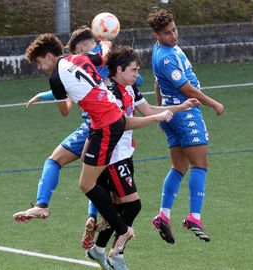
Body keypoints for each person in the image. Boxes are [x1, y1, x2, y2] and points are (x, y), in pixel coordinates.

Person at [16, 33, 173, 257]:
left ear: (50, 56)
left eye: (40, 62)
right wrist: (106, 38)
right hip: (108, 121)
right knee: (90, 177)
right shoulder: (79, 59)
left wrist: (61, 93)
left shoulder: (56, 78)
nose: (41, 67)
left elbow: (65, 111)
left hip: (106, 125)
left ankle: (121, 229)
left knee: (87, 184)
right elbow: (105, 54)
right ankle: (100, 222)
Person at [84, 45, 200, 270]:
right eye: (134, 70)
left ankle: (98, 249)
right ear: (119, 70)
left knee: (118, 206)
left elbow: (147, 109)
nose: (138, 74)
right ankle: (117, 252)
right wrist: (158, 119)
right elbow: (124, 122)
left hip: (124, 154)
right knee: (133, 205)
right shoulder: (111, 92)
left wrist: (179, 107)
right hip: (112, 156)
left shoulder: (129, 88)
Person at [147, 9, 225, 244]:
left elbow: (157, 82)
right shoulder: (166, 57)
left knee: (178, 166)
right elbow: (187, 90)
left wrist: (162, 112)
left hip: (172, 114)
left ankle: (163, 214)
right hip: (185, 112)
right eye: (167, 33)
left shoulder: (163, 50)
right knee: (200, 164)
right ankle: (194, 217)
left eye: (174, 30)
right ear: (156, 35)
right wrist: (214, 104)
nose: (173, 35)